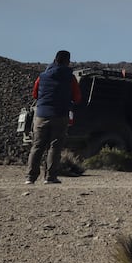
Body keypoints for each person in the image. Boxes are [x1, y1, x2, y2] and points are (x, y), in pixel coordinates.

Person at [26, 50, 82, 185]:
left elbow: (35, 94)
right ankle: (50, 177)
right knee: (55, 147)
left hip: (41, 115)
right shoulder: (70, 78)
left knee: (37, 146)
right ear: (67, 61)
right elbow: (77, 97)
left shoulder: (42, 76)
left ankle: (30, 177)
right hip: (60, 115)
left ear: (55, 59)